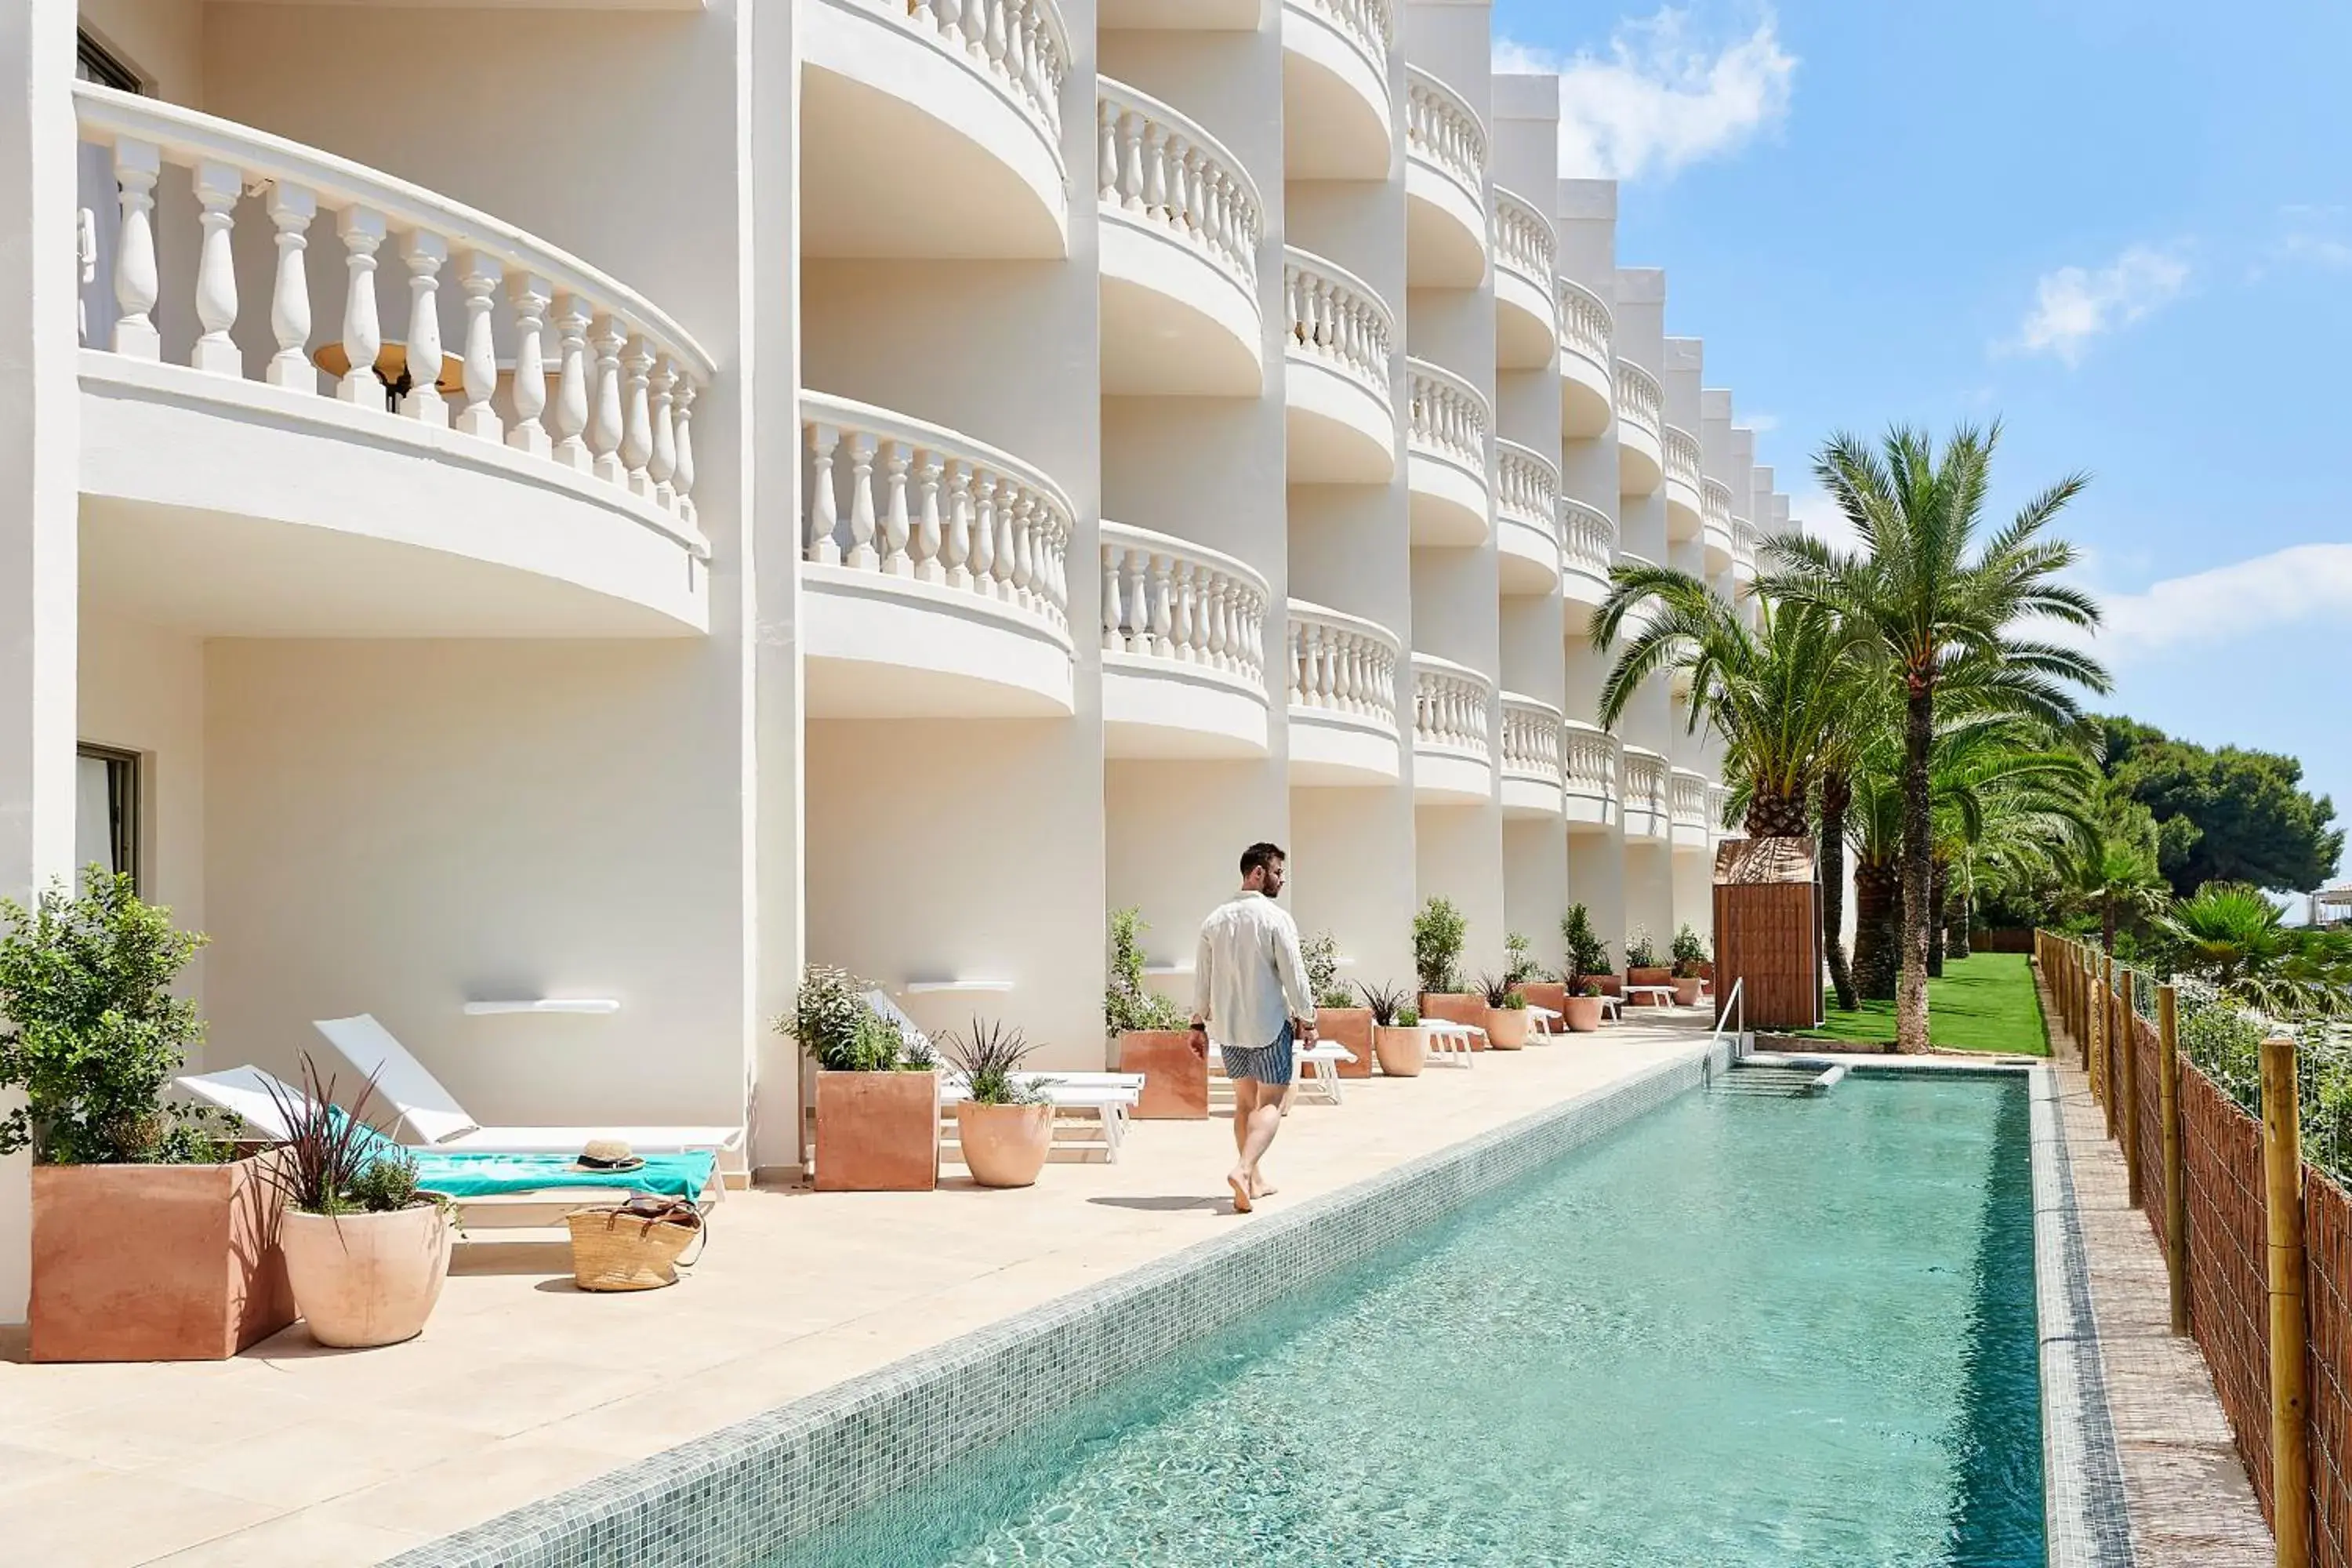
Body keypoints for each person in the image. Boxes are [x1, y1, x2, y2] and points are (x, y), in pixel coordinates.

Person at [1190, 841, 1316, 1214]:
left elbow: (1203, 978)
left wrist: (1197, 1023)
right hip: (1268, 1026)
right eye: (1277, 872)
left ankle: (1255, 1180)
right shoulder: (1276, 919)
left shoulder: (1214, 920)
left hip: (1229, 1028)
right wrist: (1307, 1019)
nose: (1281, 880)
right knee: (1272, 1102)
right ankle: (1244, 1170)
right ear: (1257, 873)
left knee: (1244, 1103)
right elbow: (1294, 974)